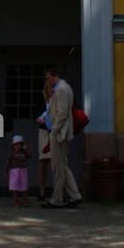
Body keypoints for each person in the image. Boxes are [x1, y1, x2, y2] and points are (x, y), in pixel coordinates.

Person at [44, 64, 82, 208]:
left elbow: (62, 113)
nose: (47, 81)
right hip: (61, 132)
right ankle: (74, 196)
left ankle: (57, 199)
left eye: (48, 78)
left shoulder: (61, 89)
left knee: (57, 167)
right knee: (62, 166)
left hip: (60, 133)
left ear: (55, 76)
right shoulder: (62, 89)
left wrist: (54, 130)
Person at [35, 80, 53, 204]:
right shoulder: (41, 99)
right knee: (43, 160)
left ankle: (59, 190)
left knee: (56, 161)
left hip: (55, 132)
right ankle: (42, 191)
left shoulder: (59, 98)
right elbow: (36, 116)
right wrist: (43, 121)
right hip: (43, 131)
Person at [6, 134, 30, 207]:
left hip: (22, 171)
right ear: (13, 145)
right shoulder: (12, 153)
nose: (17, 146)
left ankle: (25, 199)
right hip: (14, 171)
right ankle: (15, 200)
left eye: (19, 144)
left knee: (24, 186)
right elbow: (8, 161)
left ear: (22, 145)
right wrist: (7, 169)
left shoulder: (24, 153)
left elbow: (29, 156)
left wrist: (26, 150)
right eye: (15, 144)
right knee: (15, 187)